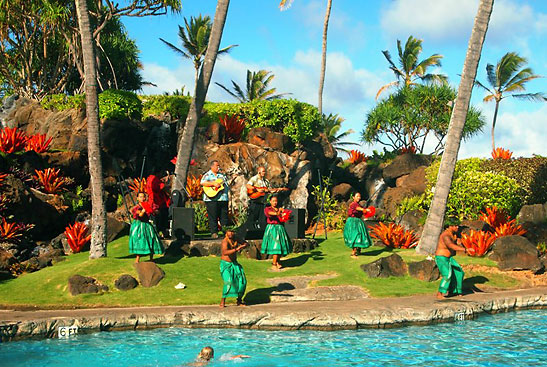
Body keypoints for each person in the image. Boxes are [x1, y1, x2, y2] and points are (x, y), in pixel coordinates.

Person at [128, 191, 164, 263]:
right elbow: (140, 215)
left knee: (151, 239)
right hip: (139, 225)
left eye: (143, 197)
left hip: (147, 224)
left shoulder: (148, 205)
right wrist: (144, 210)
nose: (143, 198)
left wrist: (153, 210)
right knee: (140, 240)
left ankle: (151, 258)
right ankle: (137, 259)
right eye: (140, 197)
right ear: (137, 198)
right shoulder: (136, 207)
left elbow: (156, 212)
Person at [261, 195, 292, 270]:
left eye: (276, 201)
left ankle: (278, 261)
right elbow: (271, 214)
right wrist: (279, 212)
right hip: (272, 228)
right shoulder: (267, 209)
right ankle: (274, 263)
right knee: (276, 245)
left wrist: (285, 213)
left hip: (280, 228)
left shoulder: (279, 208)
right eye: (273, 201)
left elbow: (285, 216)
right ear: (270, 201)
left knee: (281, 245)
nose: (275, 202)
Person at [435, 226, 467, 299]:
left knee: (459, 272)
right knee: (447, 275)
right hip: (441, 257)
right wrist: (465, 249)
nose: (457, 227)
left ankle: (454, 291)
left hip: (449, 258)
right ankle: (440, 293)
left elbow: (456, 243)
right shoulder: (445, 235)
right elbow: (450, 245)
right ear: (449, 227)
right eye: (455, 226)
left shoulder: (454, 235)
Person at [201, 160, 229, 239]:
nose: (218, 167)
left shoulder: (222, 176)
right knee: (213, 216)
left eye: (219, 166)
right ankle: (214, 232)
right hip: (211, 199)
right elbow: (202, 183)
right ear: (212, 166)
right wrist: (213, 184)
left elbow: (226, 183)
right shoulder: (207, 175)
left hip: (223, 198)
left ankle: (225, 232)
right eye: (217, 166)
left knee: (224, 216)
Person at [220, 228, 248, 307]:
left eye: (232, 231)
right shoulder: (225, 241)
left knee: (242, 281)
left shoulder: (236, 238)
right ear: (226, 232)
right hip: (225, 264)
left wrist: (243, 246)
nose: (230, 233)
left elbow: (246, 243)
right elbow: (225, 252)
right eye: (229, 231)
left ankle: (239, 300)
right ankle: (222, 301)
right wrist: (236, 249)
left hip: (234, 263)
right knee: (228, 281)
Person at [343, 192, 374, 258]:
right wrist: (364, 209)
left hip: (358, 221)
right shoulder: (353, 204)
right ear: (353, 197)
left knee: (361, 235)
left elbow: (362, 212)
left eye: (359, 196)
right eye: (357, 196)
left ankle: (358, 251)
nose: (359, 198)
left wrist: (367, 211)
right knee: (356, 236)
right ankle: (353, 253)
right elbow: (357, 208)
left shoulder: (359, 205)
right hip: (353, 222)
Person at [145, 174, 171, 238]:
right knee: (158, 219)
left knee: (163, 217)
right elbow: (160, 187)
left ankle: (163, 232)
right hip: (156, 202)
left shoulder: (152, 178)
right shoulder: (152, 179)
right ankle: (158, 232)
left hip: (160, 202)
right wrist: (166, 185)